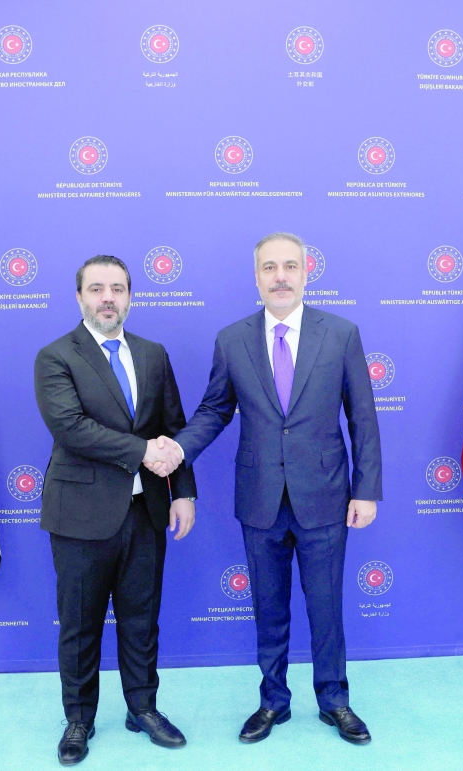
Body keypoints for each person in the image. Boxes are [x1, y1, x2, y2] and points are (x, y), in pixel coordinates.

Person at [158, 232, 382, 745]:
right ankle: (272, 703)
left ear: (306, 273)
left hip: (325, 496)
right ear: (255, 277)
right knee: (268, 606)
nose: (280, 276)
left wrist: (365, 489)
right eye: (268, 268)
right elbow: (215, 410)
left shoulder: (342, 334)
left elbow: (362, 417)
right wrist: (178, 449)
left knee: (326, 607)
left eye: (289, 267)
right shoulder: (232, 339)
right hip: (259, 499)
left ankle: (335, 701)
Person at [34, 255, 195, 766]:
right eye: (97, 288)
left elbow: (174, 424)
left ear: (130, 297)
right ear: (79, 297)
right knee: (80, 624)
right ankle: (79, 718)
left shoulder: (152, 353)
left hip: (144, 513)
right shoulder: (56, 356)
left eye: (118, 289)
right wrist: (142, 452)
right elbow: (71, 427)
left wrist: (183, 492)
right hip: (80, 515)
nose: (108, 297)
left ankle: (142, 708)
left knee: (141, 619)